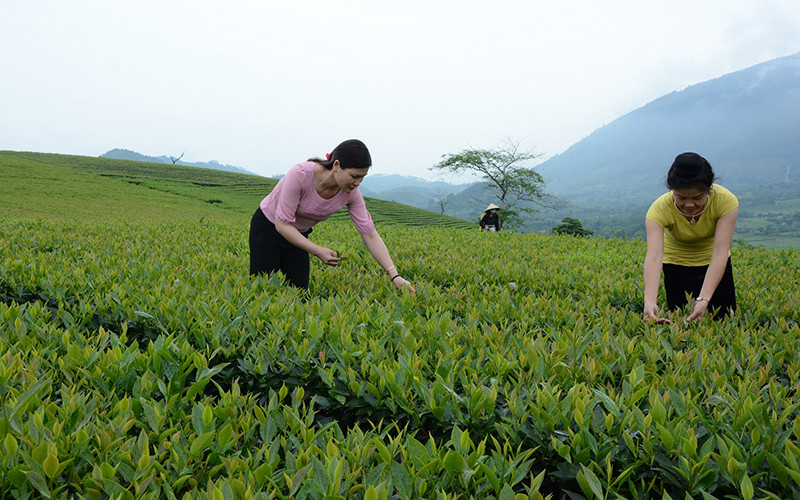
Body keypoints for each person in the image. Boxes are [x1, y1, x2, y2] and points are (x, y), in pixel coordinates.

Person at [249, 139, 415, 293]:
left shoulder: (351, 193)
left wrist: (395, 275)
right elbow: (282, 225)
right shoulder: (300, 174)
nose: (358, 183)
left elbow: (370, 235)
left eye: (362, 177)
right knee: (263, 288)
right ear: (336, 165)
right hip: (268, 229)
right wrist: (317, 250)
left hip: (299, 236)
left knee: (299, 292)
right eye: (354, 176)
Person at [643, 152, 739, 322]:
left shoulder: (725, 202)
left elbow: (720, 252)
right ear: (672, 190)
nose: (689, 204)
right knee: (682, 322)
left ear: (709, 190)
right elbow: (654, 257)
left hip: (715, 266)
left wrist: (704, 299)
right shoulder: (659, 210)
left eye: (697, 197)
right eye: (680, 197)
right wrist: (649, 302)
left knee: (725, 321)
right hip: (676, 267)